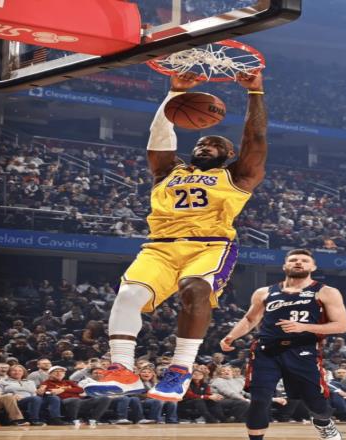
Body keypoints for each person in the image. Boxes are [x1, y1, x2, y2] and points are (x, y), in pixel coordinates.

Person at [101, 70, 267, 402]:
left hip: (210, 246)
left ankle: (180, 370)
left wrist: (255, 93)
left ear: (228, 155)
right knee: (128, 295)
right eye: (202, 142)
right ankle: (122, 370)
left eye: (216, 145)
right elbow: (159, 135)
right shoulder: (168, 171)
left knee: (195, 288)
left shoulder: (237, 176)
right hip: (158, 248)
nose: (206, 146)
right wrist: (174, 94)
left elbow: (256, 138)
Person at [220, 249, 346, 440]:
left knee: (315, 402)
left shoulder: (326, 292)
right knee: (259, 400)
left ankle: (323, 423)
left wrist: (304, 327)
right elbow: (250, 319)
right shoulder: (264, 292)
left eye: (304, 260)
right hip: (266, 351)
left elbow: (341, 325)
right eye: (293, 259)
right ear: (284, 266)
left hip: (303, 351)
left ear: (313, 267)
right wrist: (230, 336)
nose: (298, 262)